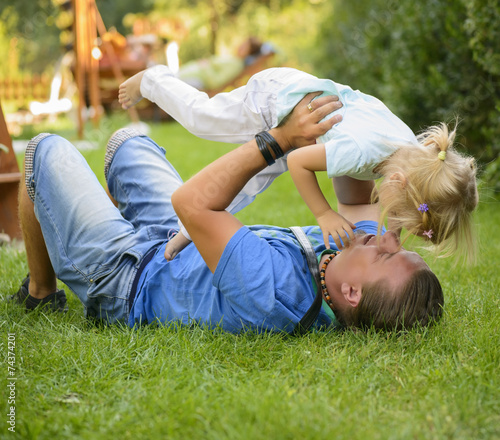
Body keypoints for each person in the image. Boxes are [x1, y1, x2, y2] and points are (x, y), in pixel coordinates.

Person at [11, 94, 443, 332]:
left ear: (352, 295)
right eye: (397, 241)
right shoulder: (351, 255)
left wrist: (280, 138)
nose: (388, 237)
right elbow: (355, 191)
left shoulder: (275, 294)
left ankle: (41, 293)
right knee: (128, 142)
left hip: (127, 277)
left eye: (388, 254)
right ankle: (93, 222)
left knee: (45, 149)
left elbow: (191, 204)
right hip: (176, 240)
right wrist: (384, 150)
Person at [118, 66, 478, 262]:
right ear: (398, 182)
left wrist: (389, 236)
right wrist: (323, 215)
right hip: (276, 100)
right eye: (398, 220)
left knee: (249, 181)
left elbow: (374, 195)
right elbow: (300, 164)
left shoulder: (408, 153)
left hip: (308, 124)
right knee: (203, 118)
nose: (393, 226)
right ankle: (153, 80)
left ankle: (185, 231)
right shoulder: (361, 152)